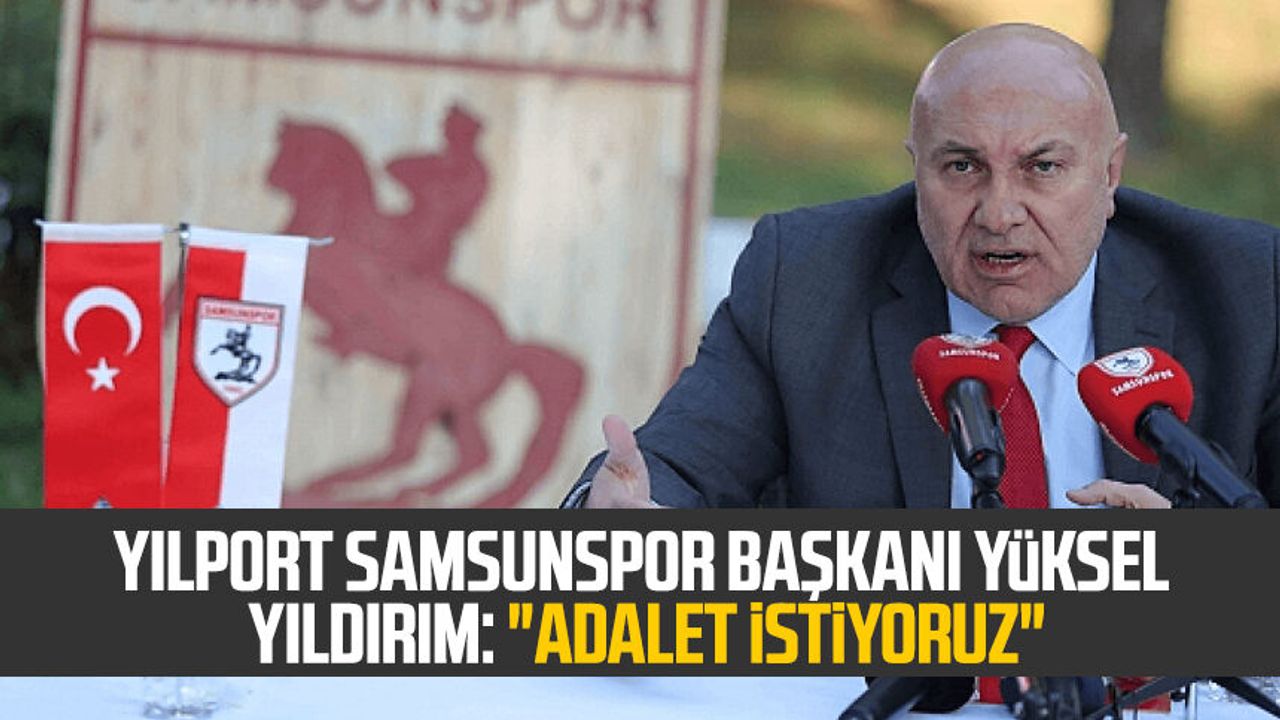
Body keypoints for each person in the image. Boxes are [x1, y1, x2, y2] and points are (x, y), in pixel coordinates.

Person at [565, 23, 1280, 511]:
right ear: (917, 171)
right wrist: (613, 533)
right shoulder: (806, 283)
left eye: (1042, 168)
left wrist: (1192, 583)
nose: (999, 212)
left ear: (1110, 173)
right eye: (962, 166)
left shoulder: (1246, 290)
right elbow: (674, 472)